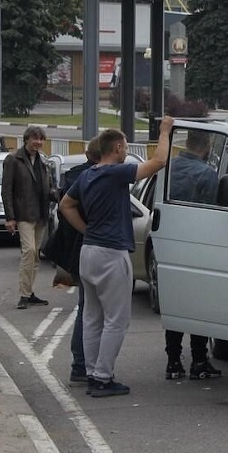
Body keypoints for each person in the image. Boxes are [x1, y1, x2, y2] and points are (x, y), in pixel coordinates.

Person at [58, 118, 173, 398]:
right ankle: (103, 377)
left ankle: (91, 372)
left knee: (92, 316)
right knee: (116, 319)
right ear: (119, 147)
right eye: (124, 148)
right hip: (111, 253)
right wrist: (165, 131)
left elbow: (65, 205)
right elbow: (158, 162)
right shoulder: (116, 173)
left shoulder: (87, 175)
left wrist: (85, 229)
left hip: (89, 251)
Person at [43, 136, 101, 387]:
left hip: (74, 250)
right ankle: (84, 364)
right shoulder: (96, 178)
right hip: (89, 248)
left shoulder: (73, 176)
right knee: (93, 310)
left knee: (86, 308)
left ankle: (81, 362)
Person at [164, 128, 221, 380]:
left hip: (171, 243)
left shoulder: (169, 168)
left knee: (175, 304)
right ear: (207, 145)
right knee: (198, 306)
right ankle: (199, 360)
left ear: (186, 142)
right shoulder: (207, 174)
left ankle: (173, 361)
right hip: (198, 247)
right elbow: (211, 215)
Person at [2, 125, 56, 310]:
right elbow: (6, 190)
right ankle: (24, 295)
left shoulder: (43, 162)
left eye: (41, 139)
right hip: (23, 214)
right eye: (35, 139)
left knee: (36, 256)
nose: (38, 142)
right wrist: (10, 217)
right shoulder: (13, 160)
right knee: (29, 251)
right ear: (26, 139)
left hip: (41, 214)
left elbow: (48, 189)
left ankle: (30, 292)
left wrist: (61, 195)